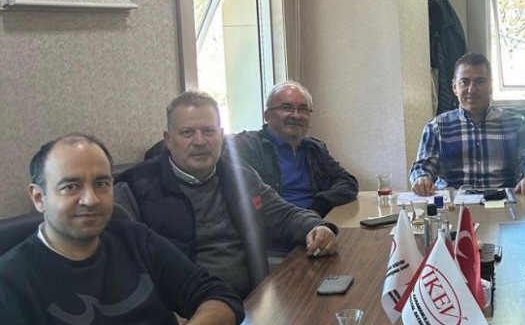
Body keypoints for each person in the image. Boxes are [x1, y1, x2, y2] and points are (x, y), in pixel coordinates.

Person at [115, 91, 338, 298]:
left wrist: (317, 227)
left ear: (221, 136)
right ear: (168, 139)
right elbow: (121, 267)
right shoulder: (134, 188)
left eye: (209, 131)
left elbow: (284, 215)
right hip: (186, 310)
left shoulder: (239, 175)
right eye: (187, 133)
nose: (200, 141)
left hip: (251, 300)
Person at [0, 134, 243, 324]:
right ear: (38, 198)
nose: (91, 199)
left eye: (101, 183)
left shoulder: (137, 240)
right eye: (70, 187)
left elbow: (220, 296)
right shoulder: (11, 280)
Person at [410, 52, 525, 196]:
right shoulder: (436, 127)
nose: (472, 89)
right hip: (453, 205)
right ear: (454, 87)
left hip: (504, 203)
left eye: (480, 81)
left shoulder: (517, 123)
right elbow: (422, 168)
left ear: (491, 86)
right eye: (464, 82)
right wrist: (422, 178)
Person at [232, 81, 358, 217]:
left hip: (314, 220)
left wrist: (319, 206)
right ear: (267, 116)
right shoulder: (246, 146)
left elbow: (348, 182)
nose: (296, 115)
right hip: (272, 224)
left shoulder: (315, 149)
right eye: (286, 108)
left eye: (303, 109)